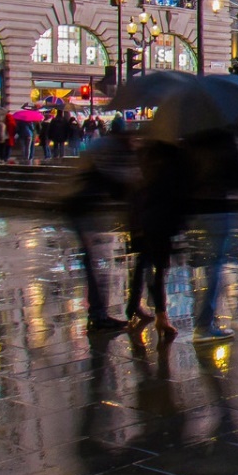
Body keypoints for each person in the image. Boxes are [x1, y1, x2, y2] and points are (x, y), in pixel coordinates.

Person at [62, 119, 134, 331]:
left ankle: (98, 312)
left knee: (94, 264)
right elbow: (115, 183)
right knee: (96, 266)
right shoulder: (111, 151)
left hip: (81, 208)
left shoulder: (102, 147)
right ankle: (98, 315)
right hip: (84, 210)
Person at [186, 125, 238, 341]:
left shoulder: (195, 138)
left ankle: (234, 310)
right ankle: (205, 321)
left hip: (201, 207)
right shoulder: (224, 139)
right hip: (219, 207)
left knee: (216, 261)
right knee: (218, 262)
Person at [126, 136, 188, 339]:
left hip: (147, 218)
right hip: (159, 219)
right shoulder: (168, 158)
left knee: (147, 262)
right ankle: (160, 315)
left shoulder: (146, 156)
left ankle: (135, 305)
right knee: (157, 267)